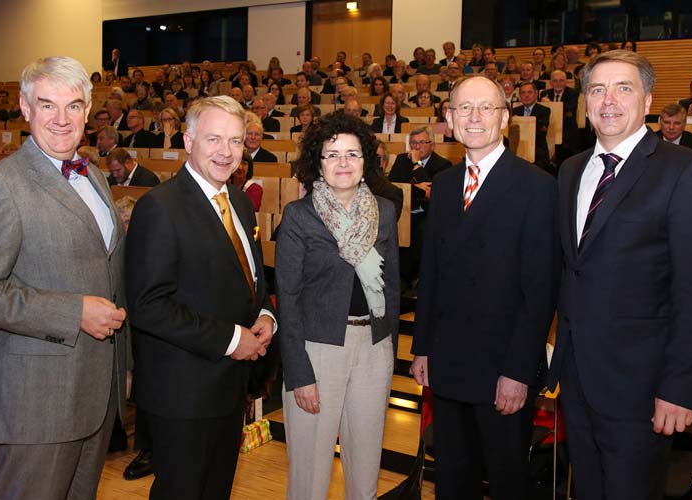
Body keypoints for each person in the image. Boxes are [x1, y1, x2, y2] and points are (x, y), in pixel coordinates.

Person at [0, 55, 130, 499]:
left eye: (73, 106)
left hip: (94, 394)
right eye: (47, 104)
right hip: (34, 401)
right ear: (24, 106)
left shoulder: (95, 176)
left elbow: (109, 275)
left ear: (89, 110)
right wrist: (73, 312)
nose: (61, 119)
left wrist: (123, 366)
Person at [546, 49, 692, 500]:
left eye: (624, 88)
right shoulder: (570, 170)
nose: (609, 101)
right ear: (584, 102)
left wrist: (680, 388)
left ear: (648, 99)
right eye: (597, 90)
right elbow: (571, 270)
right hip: (577, 378)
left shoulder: (686, 171)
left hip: (643, 386)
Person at [410, 75, 558, 500]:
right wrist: (422, 346)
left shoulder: (538, 187)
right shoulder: (444, 186)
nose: (474, 117)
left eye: (486, 108)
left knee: (507, 479)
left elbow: (540, 290)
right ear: (449, 118)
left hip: (502, 371)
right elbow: (433, 272)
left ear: (505, 118)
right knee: (454, 479)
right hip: (449, 363)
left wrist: (517, 371)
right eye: (463, 108)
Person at [126, 96, 276, 500]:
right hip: (184, 393)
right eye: (214, 139)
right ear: (188, 140)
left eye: (235, 141)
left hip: (229, 387)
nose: (226, 152)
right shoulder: (160, 206)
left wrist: (264, 313)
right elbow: (148, 306)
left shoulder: (239, 202)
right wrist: (233, 339)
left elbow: (251, 279)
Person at [277, 109, 399, 500]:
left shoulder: (385, 211)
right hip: (317, 350)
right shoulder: (298, 217)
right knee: (309, 476)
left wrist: (388, 345)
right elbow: (289, 298)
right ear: (318, 162)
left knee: (365, 471)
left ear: (366, 161)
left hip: (373, 347)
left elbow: (392, 284)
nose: (343, 163)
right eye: (332, 154)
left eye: (352, 153)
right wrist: (298, 373)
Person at [388, 125, 452, 289]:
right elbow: (395, 188)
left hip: (426, 214)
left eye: (422, 142)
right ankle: (398, 280)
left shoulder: (443, 164)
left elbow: (432, 193)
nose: (417, 147)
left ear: (432, 144)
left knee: (420, 233)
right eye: (414, 143)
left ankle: (414, 279)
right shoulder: (402, 159)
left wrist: (417, 166)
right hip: (403, 212)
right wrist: (417, 189)